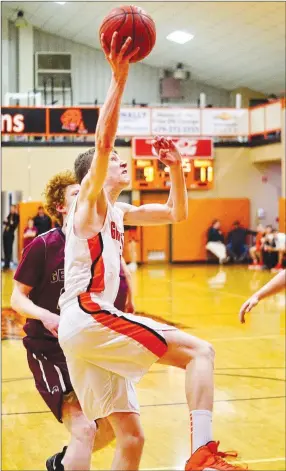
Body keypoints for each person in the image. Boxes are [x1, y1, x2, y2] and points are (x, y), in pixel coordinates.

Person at [58, 33, 245, 471]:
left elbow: (177, 214)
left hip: (83, 331)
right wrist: (118, 79)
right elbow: (103, 144)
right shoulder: (90, 204)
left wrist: (176, 168)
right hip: (88, 316)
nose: (123, 162)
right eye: (118, 159)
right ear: (95, 176)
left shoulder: (121, 211)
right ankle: (203, 453)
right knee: (201, 353)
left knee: (132, 438)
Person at [11, 171, 134, 471]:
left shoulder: (96, 244)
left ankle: (63, 463)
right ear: (61, 206)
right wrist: (45, 315)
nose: (86, 196)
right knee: (85, 428)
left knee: (111, 430)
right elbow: (17, 298)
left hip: (88, 349)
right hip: (50, 351)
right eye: (76, 193)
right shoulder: (43, 246)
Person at [3, 204, 20, 270]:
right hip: (5, 234)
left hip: (10, 235)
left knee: (9, 250)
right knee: (5, 249)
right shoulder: (9, 215)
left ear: (15, 209)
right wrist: (9, 223)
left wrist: (9, 223)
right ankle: (5, 264)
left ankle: (7, 264)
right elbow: (4, 222)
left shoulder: (16, 216)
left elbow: (14, 225)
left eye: (13, 208)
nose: (11, 210)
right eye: (11, 208)